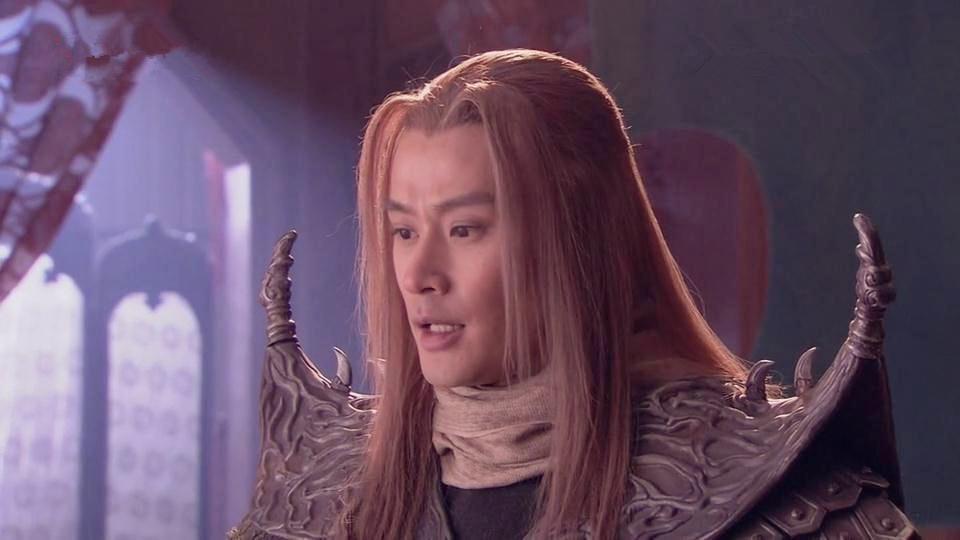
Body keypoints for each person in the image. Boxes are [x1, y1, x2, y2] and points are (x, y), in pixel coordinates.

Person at [230, 49, 916, 539]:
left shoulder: (759, 491)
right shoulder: (328, 495)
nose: (419, 274)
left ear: (575, 241)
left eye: (465, 229)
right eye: (404, 231)